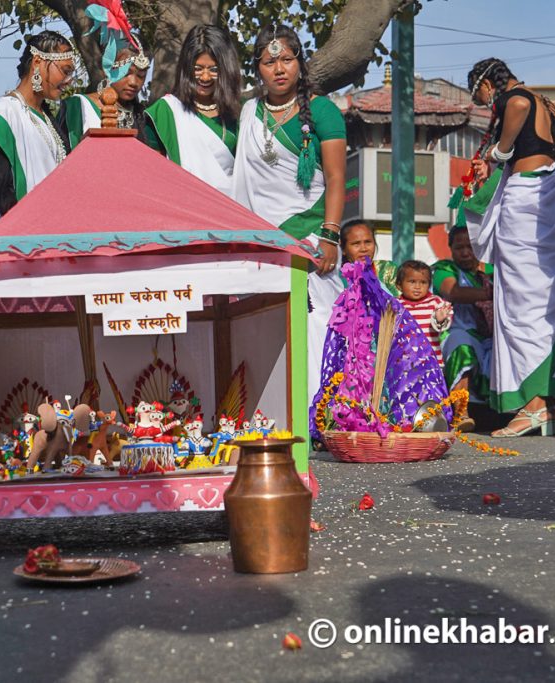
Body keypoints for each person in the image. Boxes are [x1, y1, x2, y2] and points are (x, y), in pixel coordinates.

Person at [232, 24, 347, 426]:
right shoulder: (249, 113)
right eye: (269, 61)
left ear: (300, 63)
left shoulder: (322, 110)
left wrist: (330, 236)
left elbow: (335, 178)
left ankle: (323, 413)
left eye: (287, 59)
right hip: (262, 240)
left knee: (318, 321)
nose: (279, 68)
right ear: (258, 69)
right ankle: (279, 414)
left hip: (311, 235)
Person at [468, 57, 555, 437]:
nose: (486, 104)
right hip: (548, 199)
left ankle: (532, 404)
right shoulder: (548, 103)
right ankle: (551, 402)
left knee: (518, 302)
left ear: (488, 84)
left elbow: (514, 105)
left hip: (525, 198)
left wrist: (500, 152)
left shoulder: (514, 96)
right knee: (545, 298)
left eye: (480, 96)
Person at [0, 31, 77, 240]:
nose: (68, 81)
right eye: (65, 71)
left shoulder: (48, 119)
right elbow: (2, 193)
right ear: (37, 62)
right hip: (19, 245)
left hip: (54, 241)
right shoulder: (1, 115)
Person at [144, 25, 241, 196]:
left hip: (230, 212)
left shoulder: (238, 116)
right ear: (186, 68)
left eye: (213, 69)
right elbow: (151, 175)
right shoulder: (166, 111)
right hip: (182, 210)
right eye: (198, 68)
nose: (204, 77)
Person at [432, 226, 495, 432]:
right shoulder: (445, 269)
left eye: (471, 246)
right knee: (462, 346)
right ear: (450, 248)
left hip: (489, 335)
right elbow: (453, 291)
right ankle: (461, 413)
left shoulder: (490, 275)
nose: (466, 252)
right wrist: (493, 293)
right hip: (456, 331)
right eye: (460, 247)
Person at [59, 43, 150, 148]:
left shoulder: (140, 115)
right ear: (108, 69)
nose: (133, 82)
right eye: (126, 73)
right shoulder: (79, 105)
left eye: (141, 76)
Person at [396, 260, 452, 368]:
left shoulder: (435, 302)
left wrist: (439, 319)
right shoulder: (395, 305)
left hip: (431, 363)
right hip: (404, 364)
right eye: (412, 282)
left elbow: (445, 320)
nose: (418, 287)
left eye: (423, 282)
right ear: (399, 285)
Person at [339, 224, 398, 295]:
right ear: (343, 249)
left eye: (368, 242)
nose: (364, 249)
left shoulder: (387, 269)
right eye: (356, 244)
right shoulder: (337, 277)